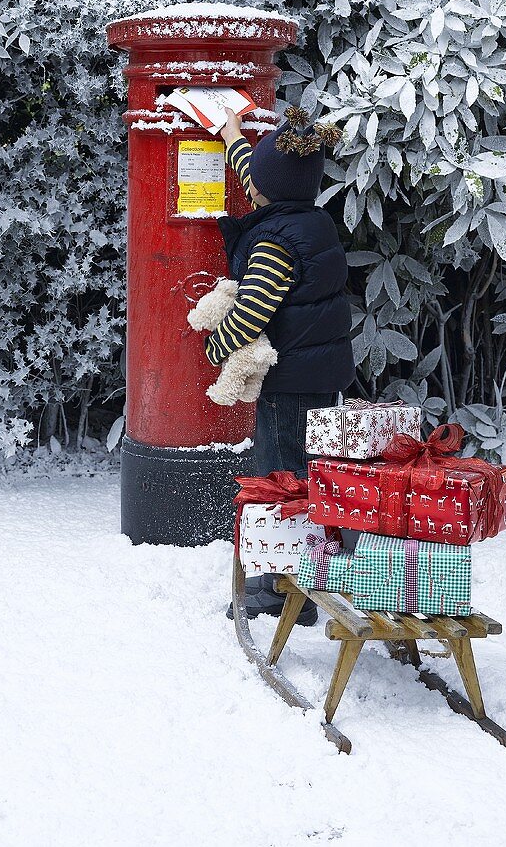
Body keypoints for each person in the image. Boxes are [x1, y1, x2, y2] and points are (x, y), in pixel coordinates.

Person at [209, 105, 355, 624]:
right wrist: (233, 139)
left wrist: (216, 348)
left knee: (283, 478)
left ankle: (280, 590)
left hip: (290, 379)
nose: (251, 189)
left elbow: (251, 311)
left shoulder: (273, 241)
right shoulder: (303, 219)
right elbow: (263, 179)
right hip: (318, 373)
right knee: (310, 472)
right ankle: (309, 576)